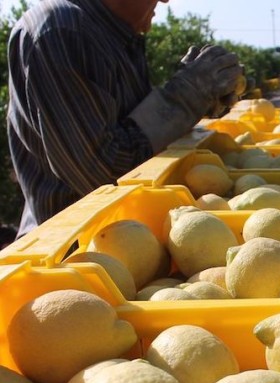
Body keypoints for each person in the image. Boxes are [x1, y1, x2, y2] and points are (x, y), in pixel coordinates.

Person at [7, 0, 242, 238]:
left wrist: (202, 98)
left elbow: (131, 129)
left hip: (126, 239)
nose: (166, 0)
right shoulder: (62, 31)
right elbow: (102, 175)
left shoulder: (112, 34)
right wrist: (186, 96)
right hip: (75, 250)